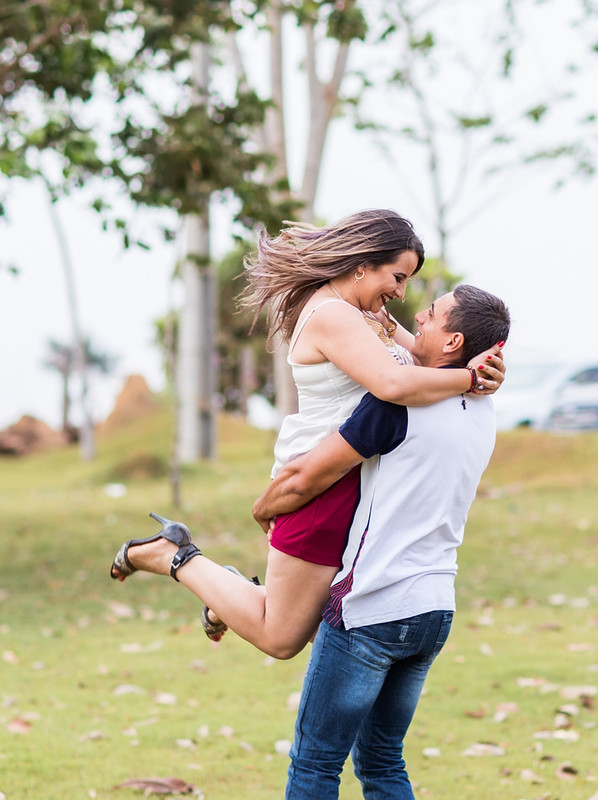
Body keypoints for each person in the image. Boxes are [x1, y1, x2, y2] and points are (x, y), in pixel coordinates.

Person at [114, 283, 510, 799]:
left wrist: (264, 507)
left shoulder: (394, 407)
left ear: (454, 342)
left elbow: (307, 478)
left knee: (315, 766)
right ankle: (230, 593)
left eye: (431, 315)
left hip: (373, 605)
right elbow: (415, 355)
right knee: (384, 762)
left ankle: (189, 564)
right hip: (434, 609)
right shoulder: (483, 411)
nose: (417, 316)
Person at [110, 210, 504, 660]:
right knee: (283, 638)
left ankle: (231, 593)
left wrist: (486, 370)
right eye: (397, 277)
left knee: (343, 620)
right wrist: (470, 381)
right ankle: (174, 556)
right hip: (321, 482)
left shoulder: (367, 315)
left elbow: (432, 359)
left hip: (356, 483)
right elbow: (394, 385)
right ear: (363, 264)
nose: (400, 292)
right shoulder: (333, 315)